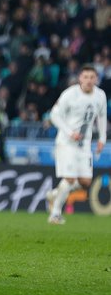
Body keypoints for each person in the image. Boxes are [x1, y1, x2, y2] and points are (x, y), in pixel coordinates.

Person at [45, 65, 107, 225]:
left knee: (85, 182)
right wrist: (68, 132)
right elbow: (54, 115)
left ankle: (55, 193)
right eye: (85, 77)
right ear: (80, 78)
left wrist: (102, 138)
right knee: (70, 179)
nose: (88, 80)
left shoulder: (100, 95)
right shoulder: (70, 94)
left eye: (92, 77)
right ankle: (55, 214)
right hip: (66, 142)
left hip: (84, 144)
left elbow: (102, 116)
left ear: (96, 79)